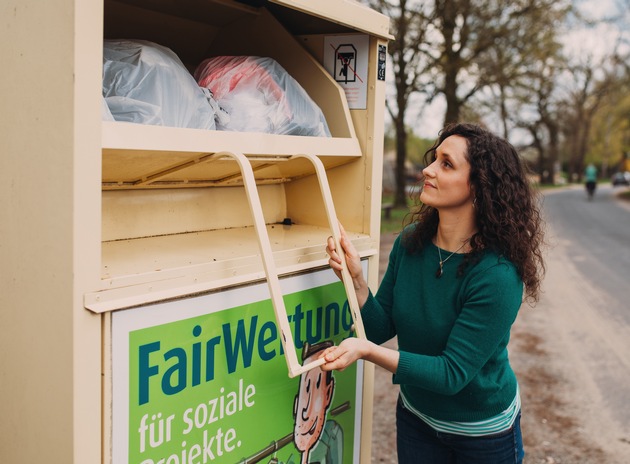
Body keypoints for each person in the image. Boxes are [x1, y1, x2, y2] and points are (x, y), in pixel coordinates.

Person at [322, 123, 546, 463]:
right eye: (434, 158)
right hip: (417, 418)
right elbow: (381, 328)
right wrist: (356, 280)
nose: (427, 169)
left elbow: (451, 374)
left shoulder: (498, 274)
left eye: (446, 163)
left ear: (478, 187)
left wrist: (366, 352)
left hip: (482, 434)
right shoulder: (411, 242)